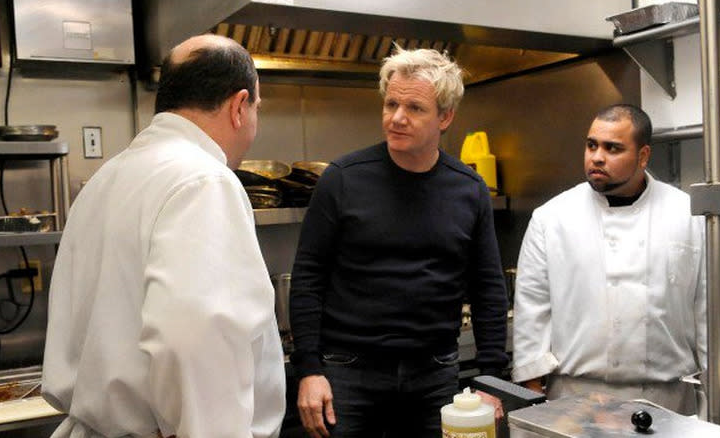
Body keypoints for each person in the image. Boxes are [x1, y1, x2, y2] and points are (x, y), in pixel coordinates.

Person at [41, 34, 285, 438]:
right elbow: (195, 340)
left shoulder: (106, 177)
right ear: (240, 106)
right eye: (257, 106)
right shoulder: (204, 180)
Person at [288, 45, 509, 438]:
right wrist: (309, 370)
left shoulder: (469, 189)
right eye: (391, 104)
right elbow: (308, 279)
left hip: (435, 376)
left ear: (446, 117)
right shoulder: (343, 179)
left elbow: (488, 289)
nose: (397, 118)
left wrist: (491, 380)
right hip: (347, 373)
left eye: (415, 109)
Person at [512, 104, 706, 414]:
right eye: (591, 145)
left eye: (612, 148)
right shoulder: (552, 217)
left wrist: (717, 389)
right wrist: (533, 397)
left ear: (643, 156)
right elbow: (532, 308)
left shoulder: (688, 214)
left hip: (668, 399)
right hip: (574, 399)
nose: (597, 157)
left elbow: (707, 308)